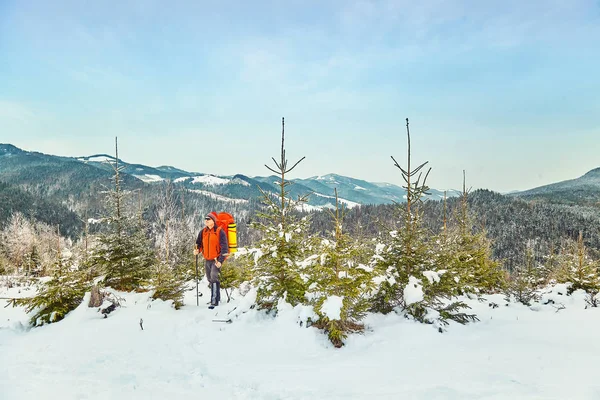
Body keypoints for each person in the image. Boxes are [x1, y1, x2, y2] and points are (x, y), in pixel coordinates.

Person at [194, 212, 228, 308]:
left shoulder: (219, 231)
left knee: (213, 277)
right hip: (207, 259)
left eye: (208, 219)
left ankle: (214, 301)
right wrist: (197, 251)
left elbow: (225, 248)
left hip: (216, 259)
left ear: (213, 221)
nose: (206, 220)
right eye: (205, 219)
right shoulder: (203, 232)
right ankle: (217, 298)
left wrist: (220, 261)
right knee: (210, 278)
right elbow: (199, 244)